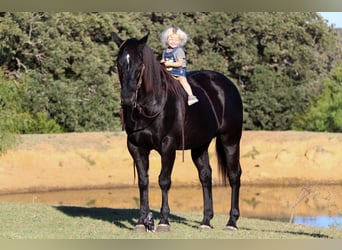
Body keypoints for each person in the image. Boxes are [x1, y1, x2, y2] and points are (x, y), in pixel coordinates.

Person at [160, 26, 199, 106]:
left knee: (182, 80)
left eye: (176, 40)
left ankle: (191, 95)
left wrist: (168, 64)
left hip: (179, 71)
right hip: (169, 72)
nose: (173, 42)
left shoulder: (179, 51)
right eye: (171, 39)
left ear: (180, 41)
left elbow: (180, 63)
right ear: (167, 40)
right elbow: (164, 60)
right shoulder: (165, 51)